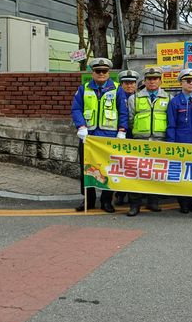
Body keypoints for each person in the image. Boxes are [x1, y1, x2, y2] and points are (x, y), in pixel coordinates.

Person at [71, 57, 128, 213]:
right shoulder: (84, 89)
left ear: (109, 73)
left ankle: (106, 201)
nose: (101, 74)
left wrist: (122, 131)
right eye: (98, 71)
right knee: (86, 168)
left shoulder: (117, 89)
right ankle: (88, 200)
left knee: (108, 169)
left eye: (104, 71)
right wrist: (81, 126)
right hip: (88, 137)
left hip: (108, 137)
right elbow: (76, 109)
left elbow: (123, 112)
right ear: (93, 72)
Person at [125, 66, 170, 216]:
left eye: (155, 79)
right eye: (149, 79)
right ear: (144, 81)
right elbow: (130, 120)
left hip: (159, 141)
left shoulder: (168, 98)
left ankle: (153, 201)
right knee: (136, 173)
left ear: (160, 81)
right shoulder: (134, 98)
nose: (152, 81)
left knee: (155, 173)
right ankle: (134, 204)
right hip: (140, 141)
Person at [166, 68, 192, 215]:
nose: (191, 83)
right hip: (181, 142)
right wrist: (172, 143)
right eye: (187, 81)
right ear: (181, 83)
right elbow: (171, 124)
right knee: (182, 174)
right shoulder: (175, 102)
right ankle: (183, 203)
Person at [114, 69, 140, 206]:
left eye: (132, 83)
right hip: (120, 134)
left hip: (135, 135)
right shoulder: (115, 96)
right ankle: (120, 193)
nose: (129, 86)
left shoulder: (140, 97)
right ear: (121, 84)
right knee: (121, 165)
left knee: (134, 166)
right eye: (126, 83)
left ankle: (133, 195)